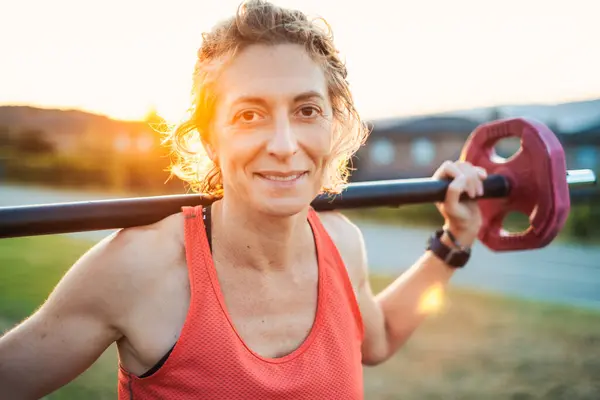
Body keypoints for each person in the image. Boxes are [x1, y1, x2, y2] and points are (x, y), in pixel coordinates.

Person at [0, 1, 488, 398]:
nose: (282, 143)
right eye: (250, 114)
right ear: (209, 137)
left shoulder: (342, 242)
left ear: (333, 125)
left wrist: (454, 239)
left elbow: (376, 340)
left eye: (306, 109)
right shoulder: (141, 267)